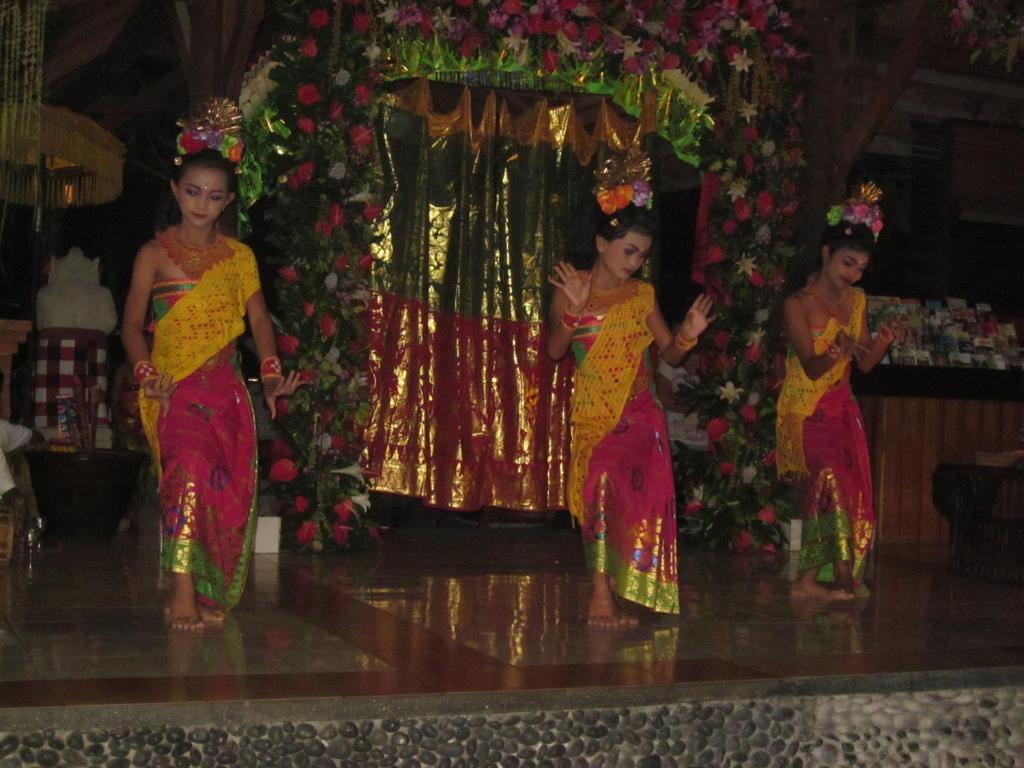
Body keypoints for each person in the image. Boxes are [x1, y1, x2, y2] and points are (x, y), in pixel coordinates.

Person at [122, 98, 301, 632]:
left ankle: (202, 589)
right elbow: (131, 328)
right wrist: (146, 374)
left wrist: (269, 373)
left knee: (223, 491)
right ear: (177, 192)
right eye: (193, 192)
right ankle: (179, 591)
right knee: (185, 478)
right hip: (171, 388)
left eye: (214, 196)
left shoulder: (240, 259)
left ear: (226, 204)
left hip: (225, 391)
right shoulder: (153, 255)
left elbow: (261, 321)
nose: (202, 204)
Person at [548, 165, 713, 627]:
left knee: (635, 502)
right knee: (597, 493)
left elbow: (671, 356)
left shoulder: (642, 295)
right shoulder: (570, 287)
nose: (635, 262)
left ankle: (625, 588)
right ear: (602, 243)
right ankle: (599, 596)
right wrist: (575, 312)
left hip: (640, 415)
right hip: (596, 416)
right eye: (629, 250)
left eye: (642, 255)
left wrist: (687, 335)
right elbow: (555, 353)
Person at [776, 183, 895, 602]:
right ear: (826, 254)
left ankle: (819, 576)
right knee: (826, 482)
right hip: (807, 410)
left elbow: (863, 362)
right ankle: (830, 575)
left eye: (861, 267)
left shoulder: (857, 300)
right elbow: (810, 366)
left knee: (847, 487)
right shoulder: (797, 303)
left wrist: (882, 340)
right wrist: (834, 350)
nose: (853, 274)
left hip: (843, 408)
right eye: (847, 263)